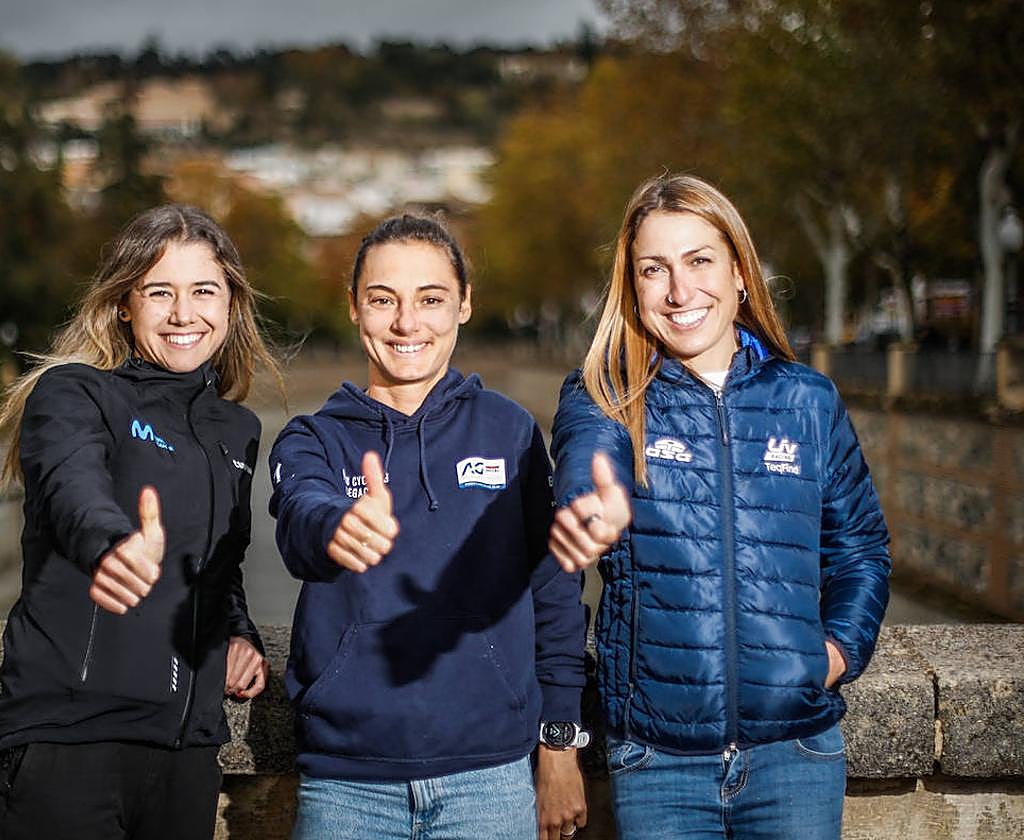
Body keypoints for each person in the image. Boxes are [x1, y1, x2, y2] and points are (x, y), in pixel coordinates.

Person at [548, 174, 891, 839]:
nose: (680, 292)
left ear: (739, 272)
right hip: (658, 761)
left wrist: (834, 655)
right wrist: (590, 507)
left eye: (699, 261)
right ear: (632, 287)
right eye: (654, 270)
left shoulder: (807, 400)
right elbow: (586, 468)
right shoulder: (604, 393)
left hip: (796, 754)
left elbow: (860, 551)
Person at [0, 204, 280, 840]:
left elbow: (219, 562)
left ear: (231, 305)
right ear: (123, 305)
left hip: (187, 758)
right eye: (159, 292)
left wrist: (239, 633)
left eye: (204, 291)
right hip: (68, 746)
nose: (183, 313)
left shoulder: (237, 430)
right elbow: (71, 489)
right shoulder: (75, 393)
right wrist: (112, 547)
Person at [268, 213, 590, 840]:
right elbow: (301, 516)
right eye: (383, 300)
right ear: (354, 308)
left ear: (464, 304)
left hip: (492, 781)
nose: (407, 323)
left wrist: (559, 743)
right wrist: (337, 527)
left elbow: (554, 590)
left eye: (431, 299)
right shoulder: (313, 438)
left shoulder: (511, 431)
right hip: (344, 787)